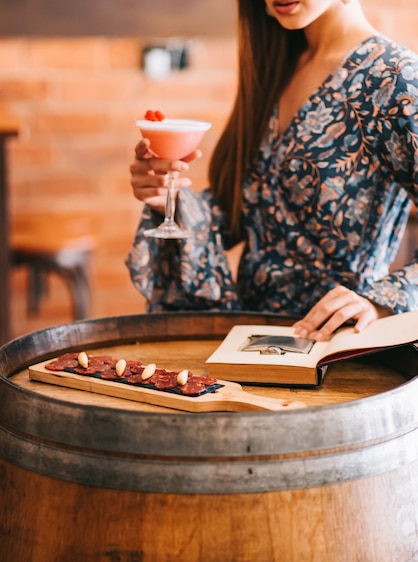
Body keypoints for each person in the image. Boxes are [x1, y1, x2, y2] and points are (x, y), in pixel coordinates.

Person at [127, 0, 418, 340]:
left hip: (336, 346)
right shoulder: (276, 64)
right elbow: (248, 214)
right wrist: (171, 201)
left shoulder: (395, 79)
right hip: (247, 339)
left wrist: (382, 301)